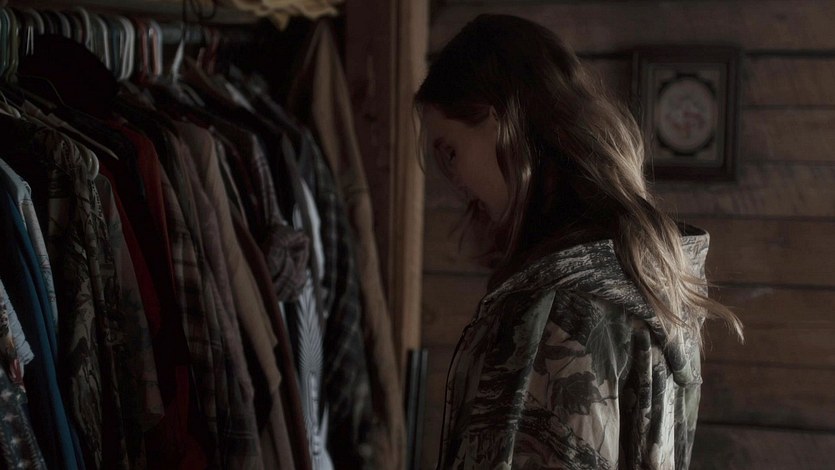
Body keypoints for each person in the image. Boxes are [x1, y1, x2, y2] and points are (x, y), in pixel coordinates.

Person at [415, 14, 744, 470]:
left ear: (498, 121)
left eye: (450, 151)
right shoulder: (636, 272)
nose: (452, 179)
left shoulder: (567, 306)